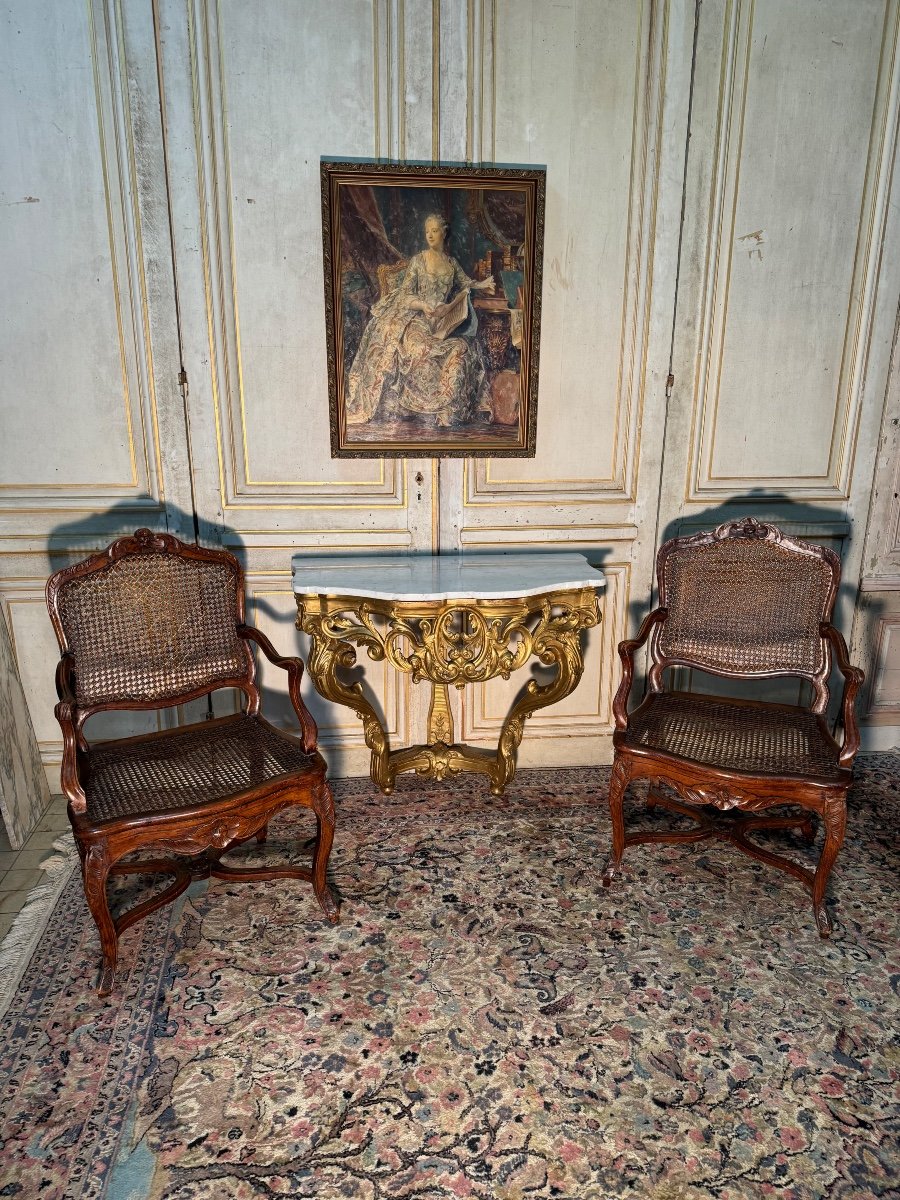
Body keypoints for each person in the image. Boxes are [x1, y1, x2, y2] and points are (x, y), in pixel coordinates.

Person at [346, 214, 496, 427]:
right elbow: (406, 295)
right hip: (416, 320)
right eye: (428, 231)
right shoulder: (418, 261)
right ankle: (425, 407)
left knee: (460, 348)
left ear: (444, 233)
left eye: (435, 230)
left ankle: (444, 408)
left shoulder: (452, 264)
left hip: (441, 323)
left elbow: (465, 283)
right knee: (421, 349)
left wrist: (483, 285)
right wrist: (424, 306)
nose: (430, 235)